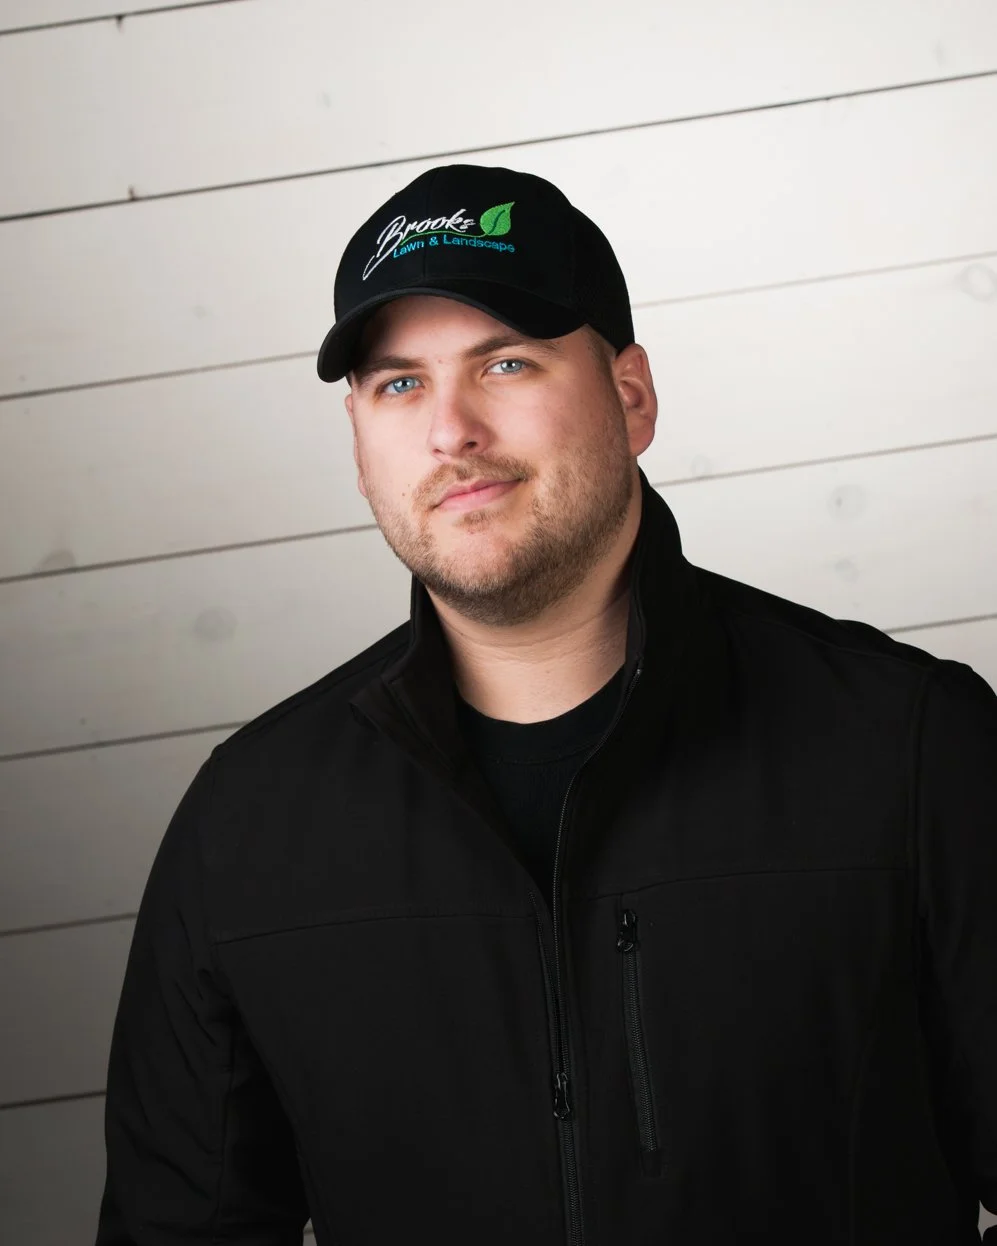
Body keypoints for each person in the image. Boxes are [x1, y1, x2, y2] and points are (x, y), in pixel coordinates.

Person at [96, 163, 997, 1245]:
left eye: (506, 362)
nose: (451, 430)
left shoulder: (907, 750)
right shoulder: (247, 825)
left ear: (630, 396)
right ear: (358, 440)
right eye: (399, 385)